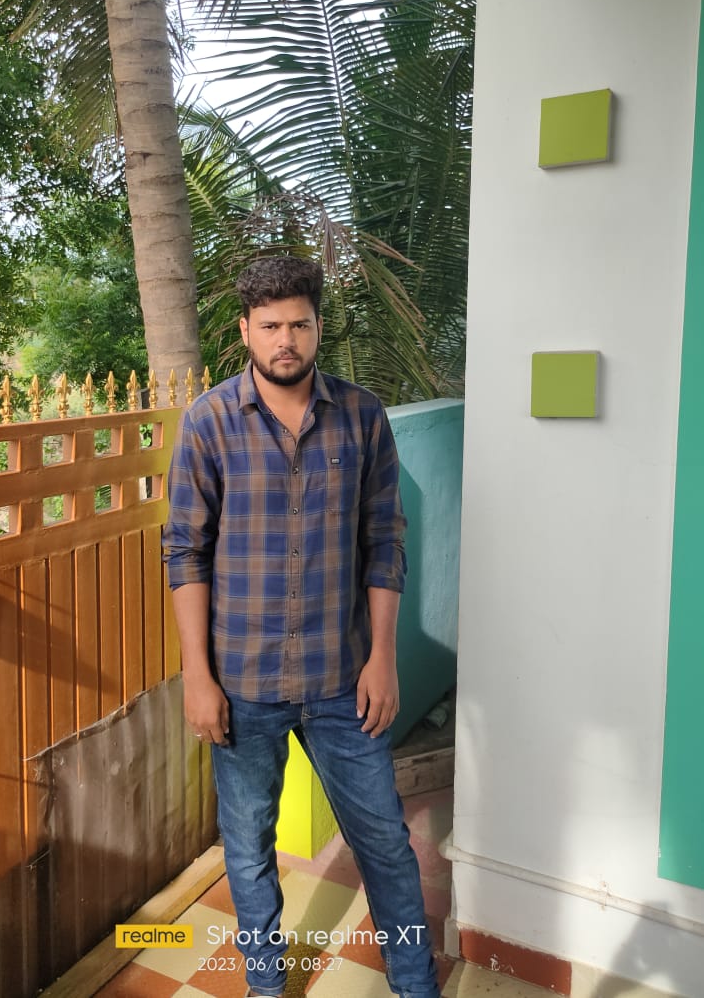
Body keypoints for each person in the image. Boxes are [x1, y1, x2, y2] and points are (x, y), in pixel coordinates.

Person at [162, 256, 441, 998]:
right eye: (270, 326)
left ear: (318, 327)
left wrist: (383, 658)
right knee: (248, 847)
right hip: (242, 684)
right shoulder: (209, 422)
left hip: (342, 679)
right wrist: (197, 676)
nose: (285, 339)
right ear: (245, 331)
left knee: (385, 843)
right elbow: (185, 551)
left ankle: (415, 984)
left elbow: (384, 540)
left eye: (299, 324)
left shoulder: (361, 415)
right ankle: (265, 984)